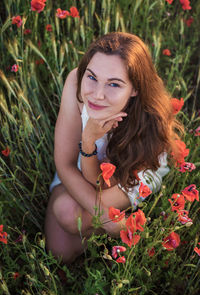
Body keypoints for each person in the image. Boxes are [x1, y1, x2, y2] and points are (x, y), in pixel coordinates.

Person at [45, 32, 181, 263]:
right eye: (92, 77)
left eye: (114, 84)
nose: (97, 95)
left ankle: (117, 229)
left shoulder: (148, 118)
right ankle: (118, 228)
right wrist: (107, 219)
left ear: (135, 88)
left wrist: (99, 211)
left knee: (69, 214)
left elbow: (103, 183)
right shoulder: (76, 82)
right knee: (59, 252)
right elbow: (65, 163)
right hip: (82, 167)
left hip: (130, 176)